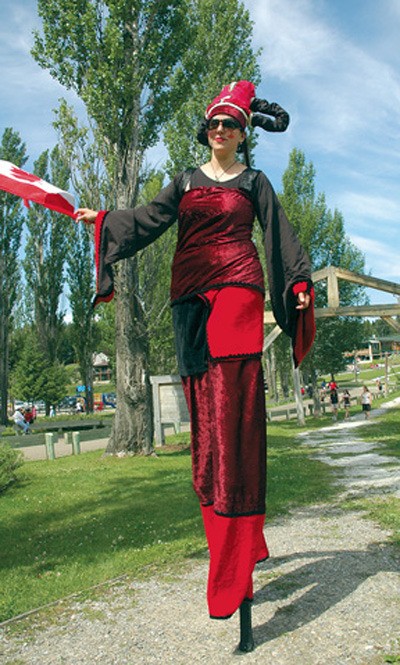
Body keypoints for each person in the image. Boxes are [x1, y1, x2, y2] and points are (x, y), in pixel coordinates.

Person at [76, 80, 315, 652]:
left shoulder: (255, 183)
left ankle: (235, 561)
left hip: (236, 295)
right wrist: (103, 221)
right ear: (205, 131)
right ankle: (234, 535)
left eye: (231, 125)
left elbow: (280, 238)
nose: (222, 133)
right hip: (188, 305)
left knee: (232, 428)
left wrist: (299, 283)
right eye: (214, 125)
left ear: (243, 134)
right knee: (207, 440)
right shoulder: (183, 182)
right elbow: (147, 220)